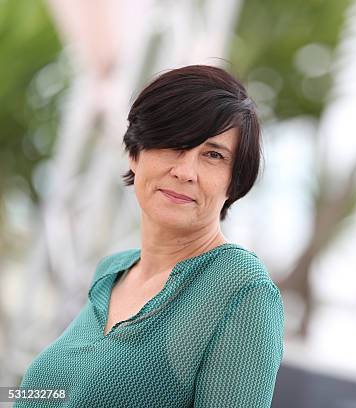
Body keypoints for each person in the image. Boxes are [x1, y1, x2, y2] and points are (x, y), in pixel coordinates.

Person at [16, 65, 284, 407]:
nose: (185, 172)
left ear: (235, 181)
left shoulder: (242, 289)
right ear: (134, 153)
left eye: (213, 155)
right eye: (174, 145)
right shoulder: (110, 274)